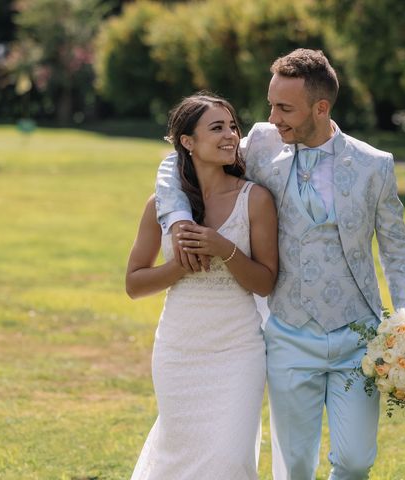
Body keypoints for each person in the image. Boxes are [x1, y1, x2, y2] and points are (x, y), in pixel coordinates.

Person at [155, 49, 405, 479]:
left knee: (355, 461)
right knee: (295, 465)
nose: (272, 117)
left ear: (321, 107)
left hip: (358, 335)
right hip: (289, 334)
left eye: (285, 108)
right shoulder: (262, 144)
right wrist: (178, 219)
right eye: (270, 104)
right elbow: (176, 160)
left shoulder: (375, 166)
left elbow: (397, 250)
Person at [125, 93, 278, 479]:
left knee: (229, 460)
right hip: (178, 349)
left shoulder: (255, 199)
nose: (230, 135)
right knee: (179, 455)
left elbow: (265, 281)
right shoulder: (160, 205)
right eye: (217, 127)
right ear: (187, 142)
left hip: (237, 348)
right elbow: (134, 283)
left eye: (232, 126)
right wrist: (179, 268)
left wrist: (223, 249)